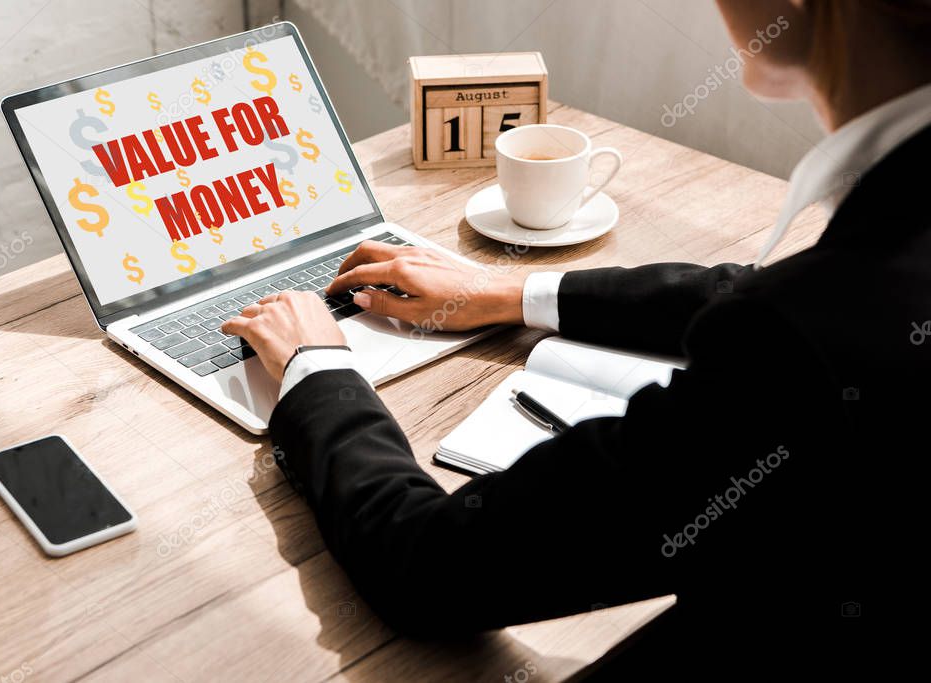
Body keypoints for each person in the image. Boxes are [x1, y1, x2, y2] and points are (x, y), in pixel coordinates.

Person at [222, 0, 930, 675]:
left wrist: (318, 374)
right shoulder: (867, 277)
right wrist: (514, 293)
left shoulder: (800, 344)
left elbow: (430, 567)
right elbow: (768, 291)